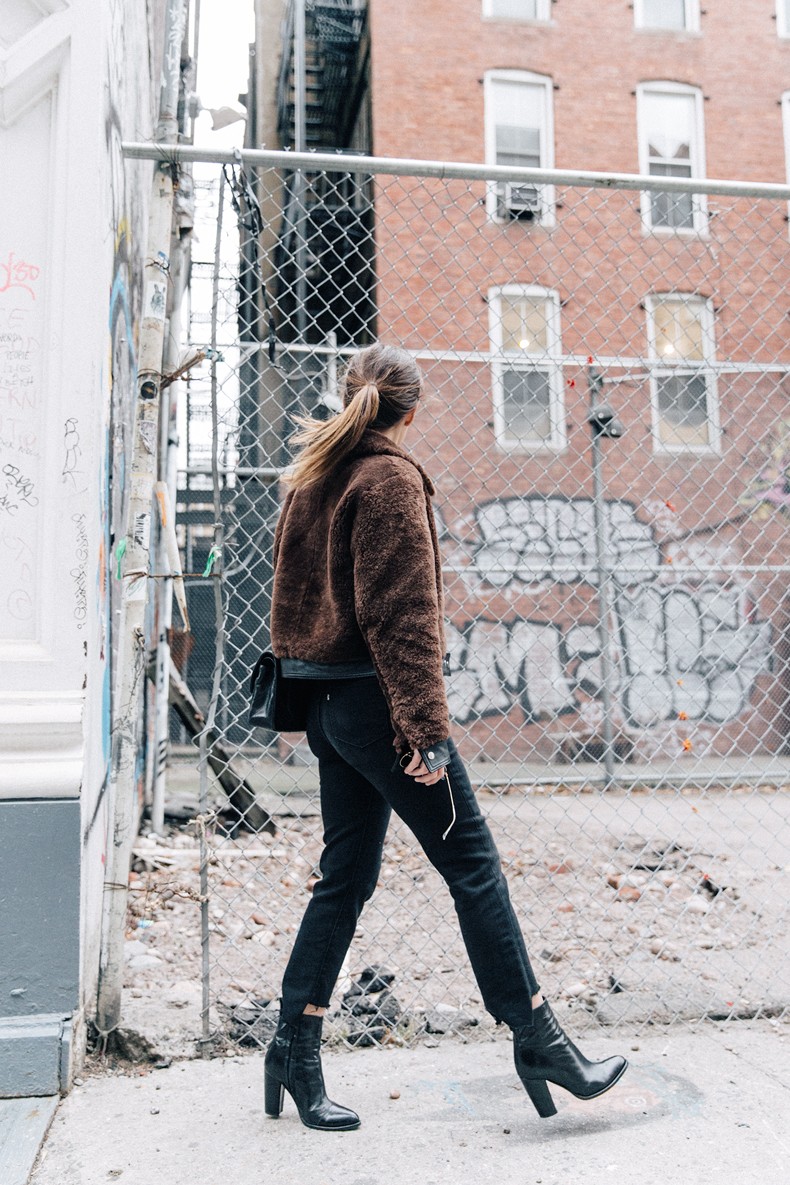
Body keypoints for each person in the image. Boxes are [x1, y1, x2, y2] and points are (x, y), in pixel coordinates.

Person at [263, 343, 627, 1131]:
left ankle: (293, 1043)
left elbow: (288, 600)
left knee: (346, 877)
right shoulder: (388, 477)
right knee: (473, 863)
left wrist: (311, 692)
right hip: (379, 713)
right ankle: (537, 1036)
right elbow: (403, 620)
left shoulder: (315, 472)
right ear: (412, 413)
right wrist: (425, 733)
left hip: (329, 707)